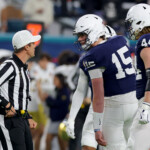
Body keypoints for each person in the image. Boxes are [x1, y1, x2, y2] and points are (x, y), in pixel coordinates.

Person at [66, 14, 138, 150]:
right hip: (133, 102)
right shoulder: (121, 40)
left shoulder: (92, 57)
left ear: (95, 31)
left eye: (83, 35)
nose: (80, 39)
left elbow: (98, 95)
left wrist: (97, 127)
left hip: (112, 106)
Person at [66, 24, 117, 150]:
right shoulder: (87, 59)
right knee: (87, 145)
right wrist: (71, 118)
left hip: (115, 107)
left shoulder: (119, 58)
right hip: (94, 107)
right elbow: (80, 89)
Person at [0, 30, 41, 150]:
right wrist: (6, 104)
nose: (35, 46)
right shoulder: (9, 66)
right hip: (8, 120)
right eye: (33, 43)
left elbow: (19, 97)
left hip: (20, 119)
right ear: (26, 47)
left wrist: (27, 116)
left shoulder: (23, 68)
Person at [125, 3, 150, 150]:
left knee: (135, 146)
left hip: (147, 101)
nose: (130, 28)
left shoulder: (146, 39)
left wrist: (146, 105)